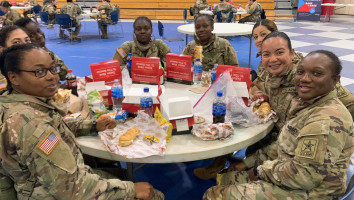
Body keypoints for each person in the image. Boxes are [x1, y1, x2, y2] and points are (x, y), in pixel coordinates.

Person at [0, 43, 165, 200]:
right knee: (153, 194)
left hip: (49, 183)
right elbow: (72, 190)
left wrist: (93, 126)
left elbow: (57, 128)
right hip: (57, 192)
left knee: (121, 175)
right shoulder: (32, 125)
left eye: (52, 69)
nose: (52, 77)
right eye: (39, 72)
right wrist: (131, 190)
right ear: (14, 77)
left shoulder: (16, 103)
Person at [203, 49, 354, 199]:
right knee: (226, 179)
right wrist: (247, 163)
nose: (305, 79)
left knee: (213, 195)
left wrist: (258, 171)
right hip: (289, 172)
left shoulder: (325, 120)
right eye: (300, 72)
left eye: (317, 73)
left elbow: (304, 177)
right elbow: (284, 144)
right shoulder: (308, 104)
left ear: (336, 80)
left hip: (313, 192)